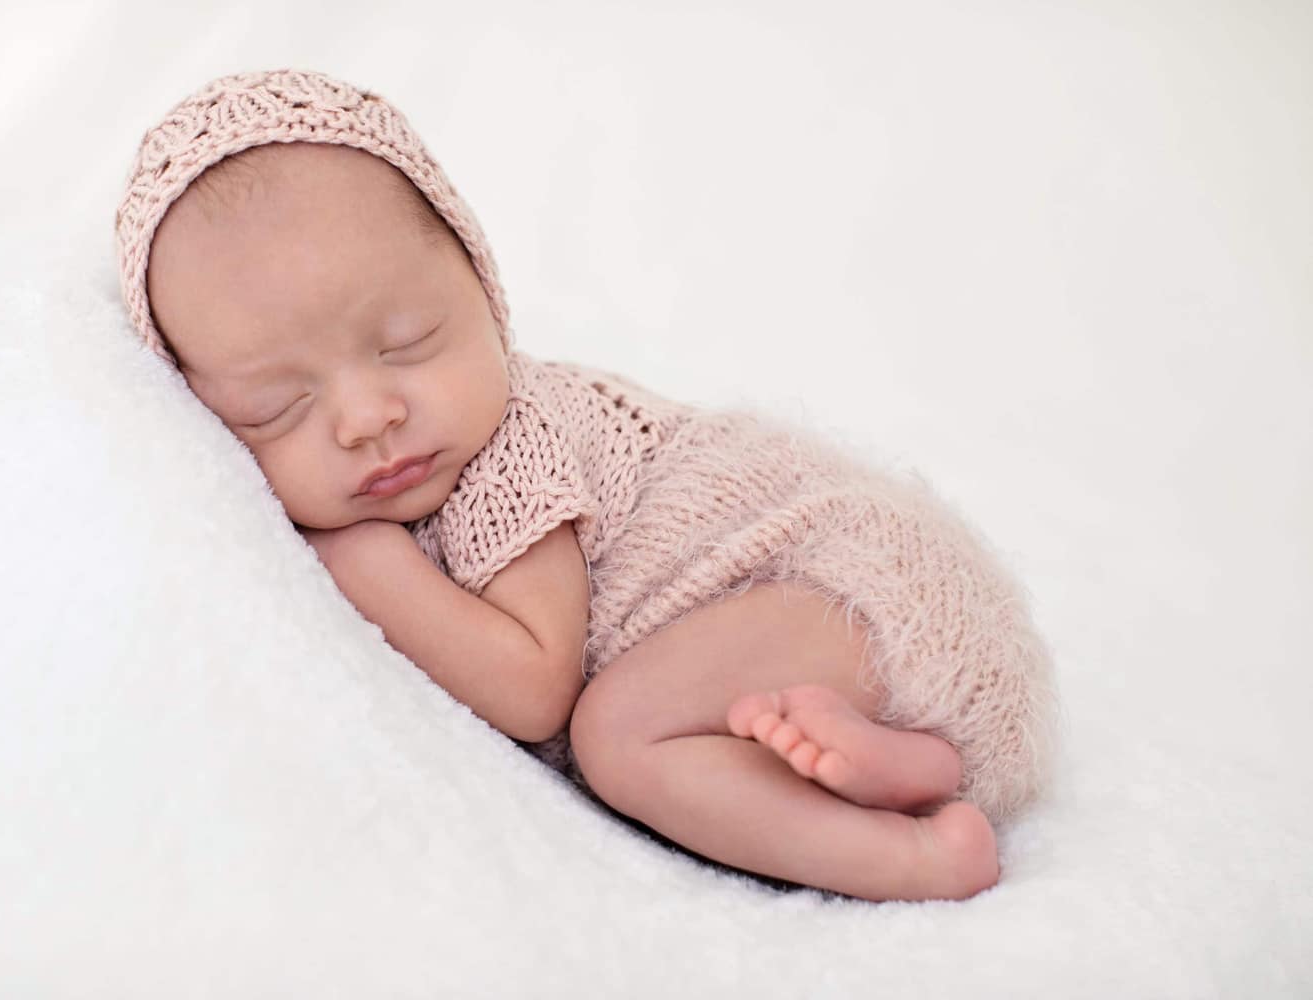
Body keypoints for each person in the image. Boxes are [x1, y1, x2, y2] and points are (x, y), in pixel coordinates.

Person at [115, 68, 1062, 902]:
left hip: (873, 590)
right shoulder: (412, 452)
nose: (366, 418)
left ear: (486, 294)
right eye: (277, 407)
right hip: (825, 668)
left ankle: (921, 858)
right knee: (666, 742)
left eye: (407, 344)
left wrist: (365, 561)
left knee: (621, 735)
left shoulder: (514, 444)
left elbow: (533, 690)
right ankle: (894, 766)